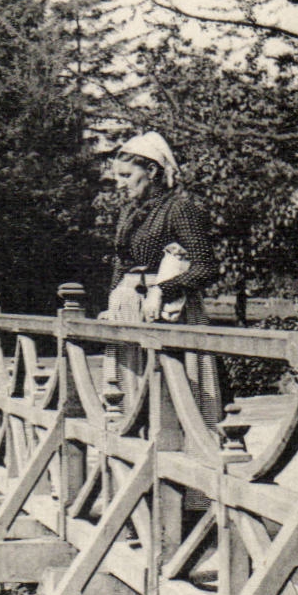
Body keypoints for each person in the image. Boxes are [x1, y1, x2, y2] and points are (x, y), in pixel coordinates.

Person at [103, 131, 226, 429]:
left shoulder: (179, 208)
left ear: (152, 171)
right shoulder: (129, 212)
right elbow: (122, 261)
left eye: (126, 175)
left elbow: (207, 267)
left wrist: (163, 289)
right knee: (129, 402)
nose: (120, 183)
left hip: (170, 313)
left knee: (178, 400)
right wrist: (112, 301)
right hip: (130, 311)